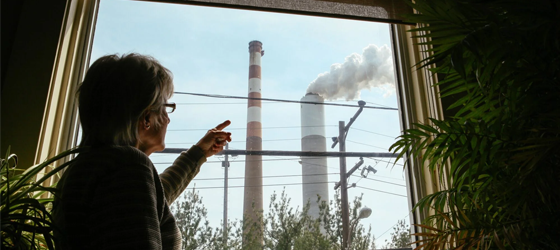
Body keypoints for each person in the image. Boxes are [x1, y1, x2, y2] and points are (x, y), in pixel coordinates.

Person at [53, 53, 232, 249]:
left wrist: (198, 153)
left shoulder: (85, 169)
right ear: (146, 117)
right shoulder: (128, 166)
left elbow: (153, 202)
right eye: (165, 108)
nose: (168, 119)